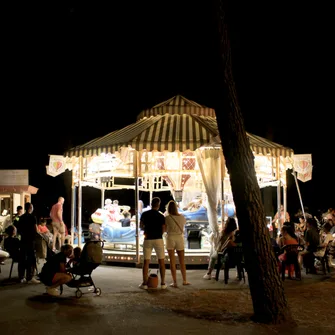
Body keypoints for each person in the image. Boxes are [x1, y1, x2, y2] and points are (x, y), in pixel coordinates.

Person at [139, 197, 167, 290]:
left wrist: (146, 229)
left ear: (151, 204)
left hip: (148, 239)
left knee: (146, 261)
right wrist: (159, 233)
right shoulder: (161, 216)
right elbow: (163, 229)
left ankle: (145, 283)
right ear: (158, 205)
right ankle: (163, 283)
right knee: (161, 261)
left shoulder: (145, 214)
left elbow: (141, 226)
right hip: (158, 239)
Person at [164, 200, 190, 287]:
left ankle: (174, 282)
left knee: (172, 261)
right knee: (182, 261)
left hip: (170, 238)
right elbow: (183, 226)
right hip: (179, 238)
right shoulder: (182, 217)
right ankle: (185, 280)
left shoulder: (167, 218)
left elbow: (164, 229)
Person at [17, 202, 40, 284]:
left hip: (23, 240)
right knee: (31, 258)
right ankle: (30, 277)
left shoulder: (21, 217)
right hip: (30, 240)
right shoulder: (32, 217)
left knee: (22, 259)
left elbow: (18, 230)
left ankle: (21, 277)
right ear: (30, 208)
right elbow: (36, 229)